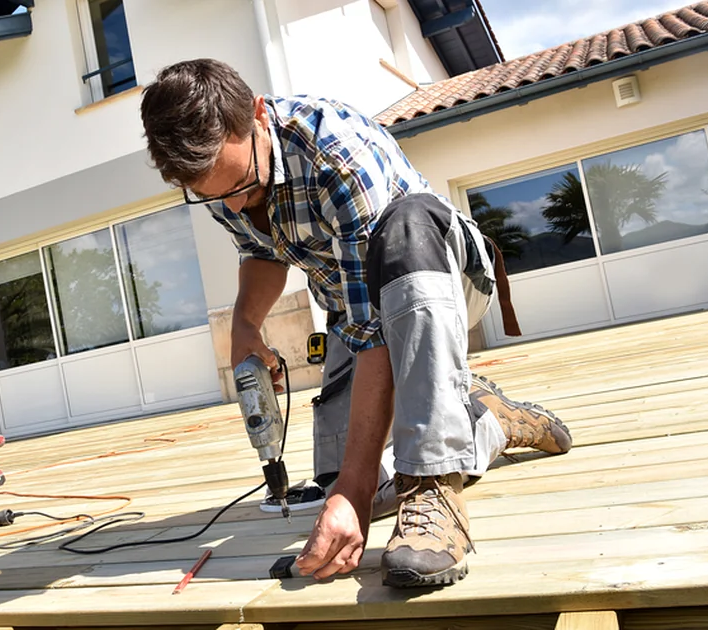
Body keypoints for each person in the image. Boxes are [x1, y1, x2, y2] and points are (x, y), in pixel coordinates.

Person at [139, 58, 572, 588]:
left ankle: (435, 489)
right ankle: (488, 421)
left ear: (256, 116)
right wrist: (245, 325)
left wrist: (356, 487)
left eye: (242, 184)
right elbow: (263, 253)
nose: (231, 202)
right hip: (356, 311)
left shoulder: (334, 148)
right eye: (212, 194)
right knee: (338, 483)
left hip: (440, 276)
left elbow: (380, 333)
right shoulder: (219, 172)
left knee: (406, 223)